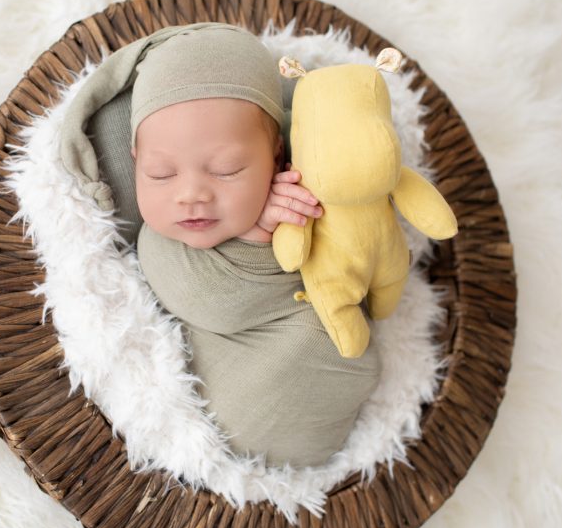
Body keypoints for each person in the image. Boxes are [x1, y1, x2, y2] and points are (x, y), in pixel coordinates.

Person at [61, 23, 381, 468]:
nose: (191, 193)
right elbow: (213, 302)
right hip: (232, 415)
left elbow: (356, 256)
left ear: (278, 155)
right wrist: (255, 240)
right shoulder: (157, 244)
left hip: (326, 380)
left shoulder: (301, 187)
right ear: (135, 162)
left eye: (228, 169)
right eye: (161, 173)